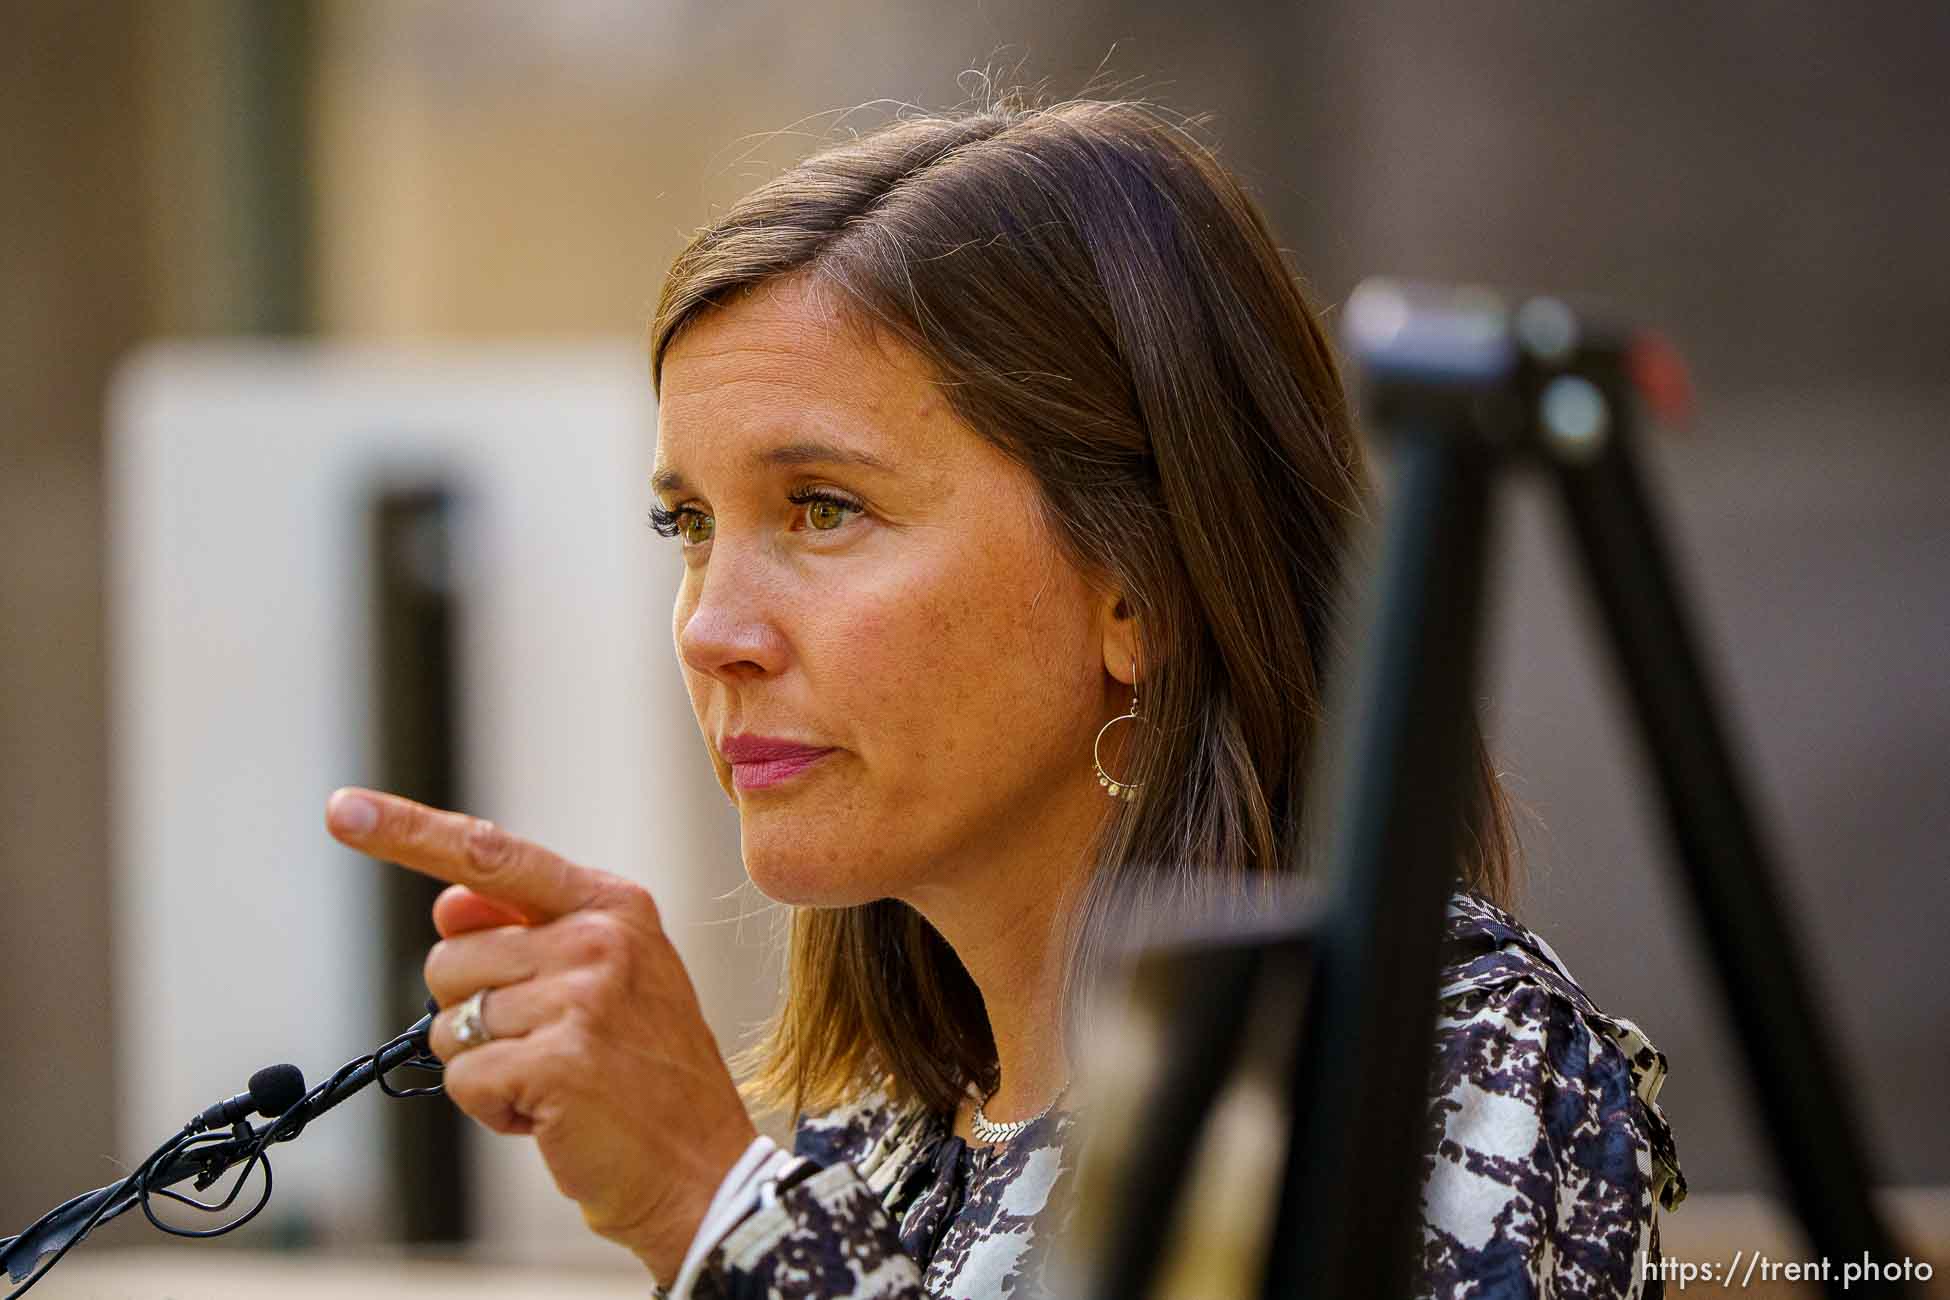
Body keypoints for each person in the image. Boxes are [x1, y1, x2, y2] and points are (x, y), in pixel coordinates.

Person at [324, 87, 1686, 1298]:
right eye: (686, 526)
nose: (712, 629)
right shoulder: (883, 1137)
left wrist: (717, 1210)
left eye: (824, 508)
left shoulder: (1429, 1062)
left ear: (1136, 593)